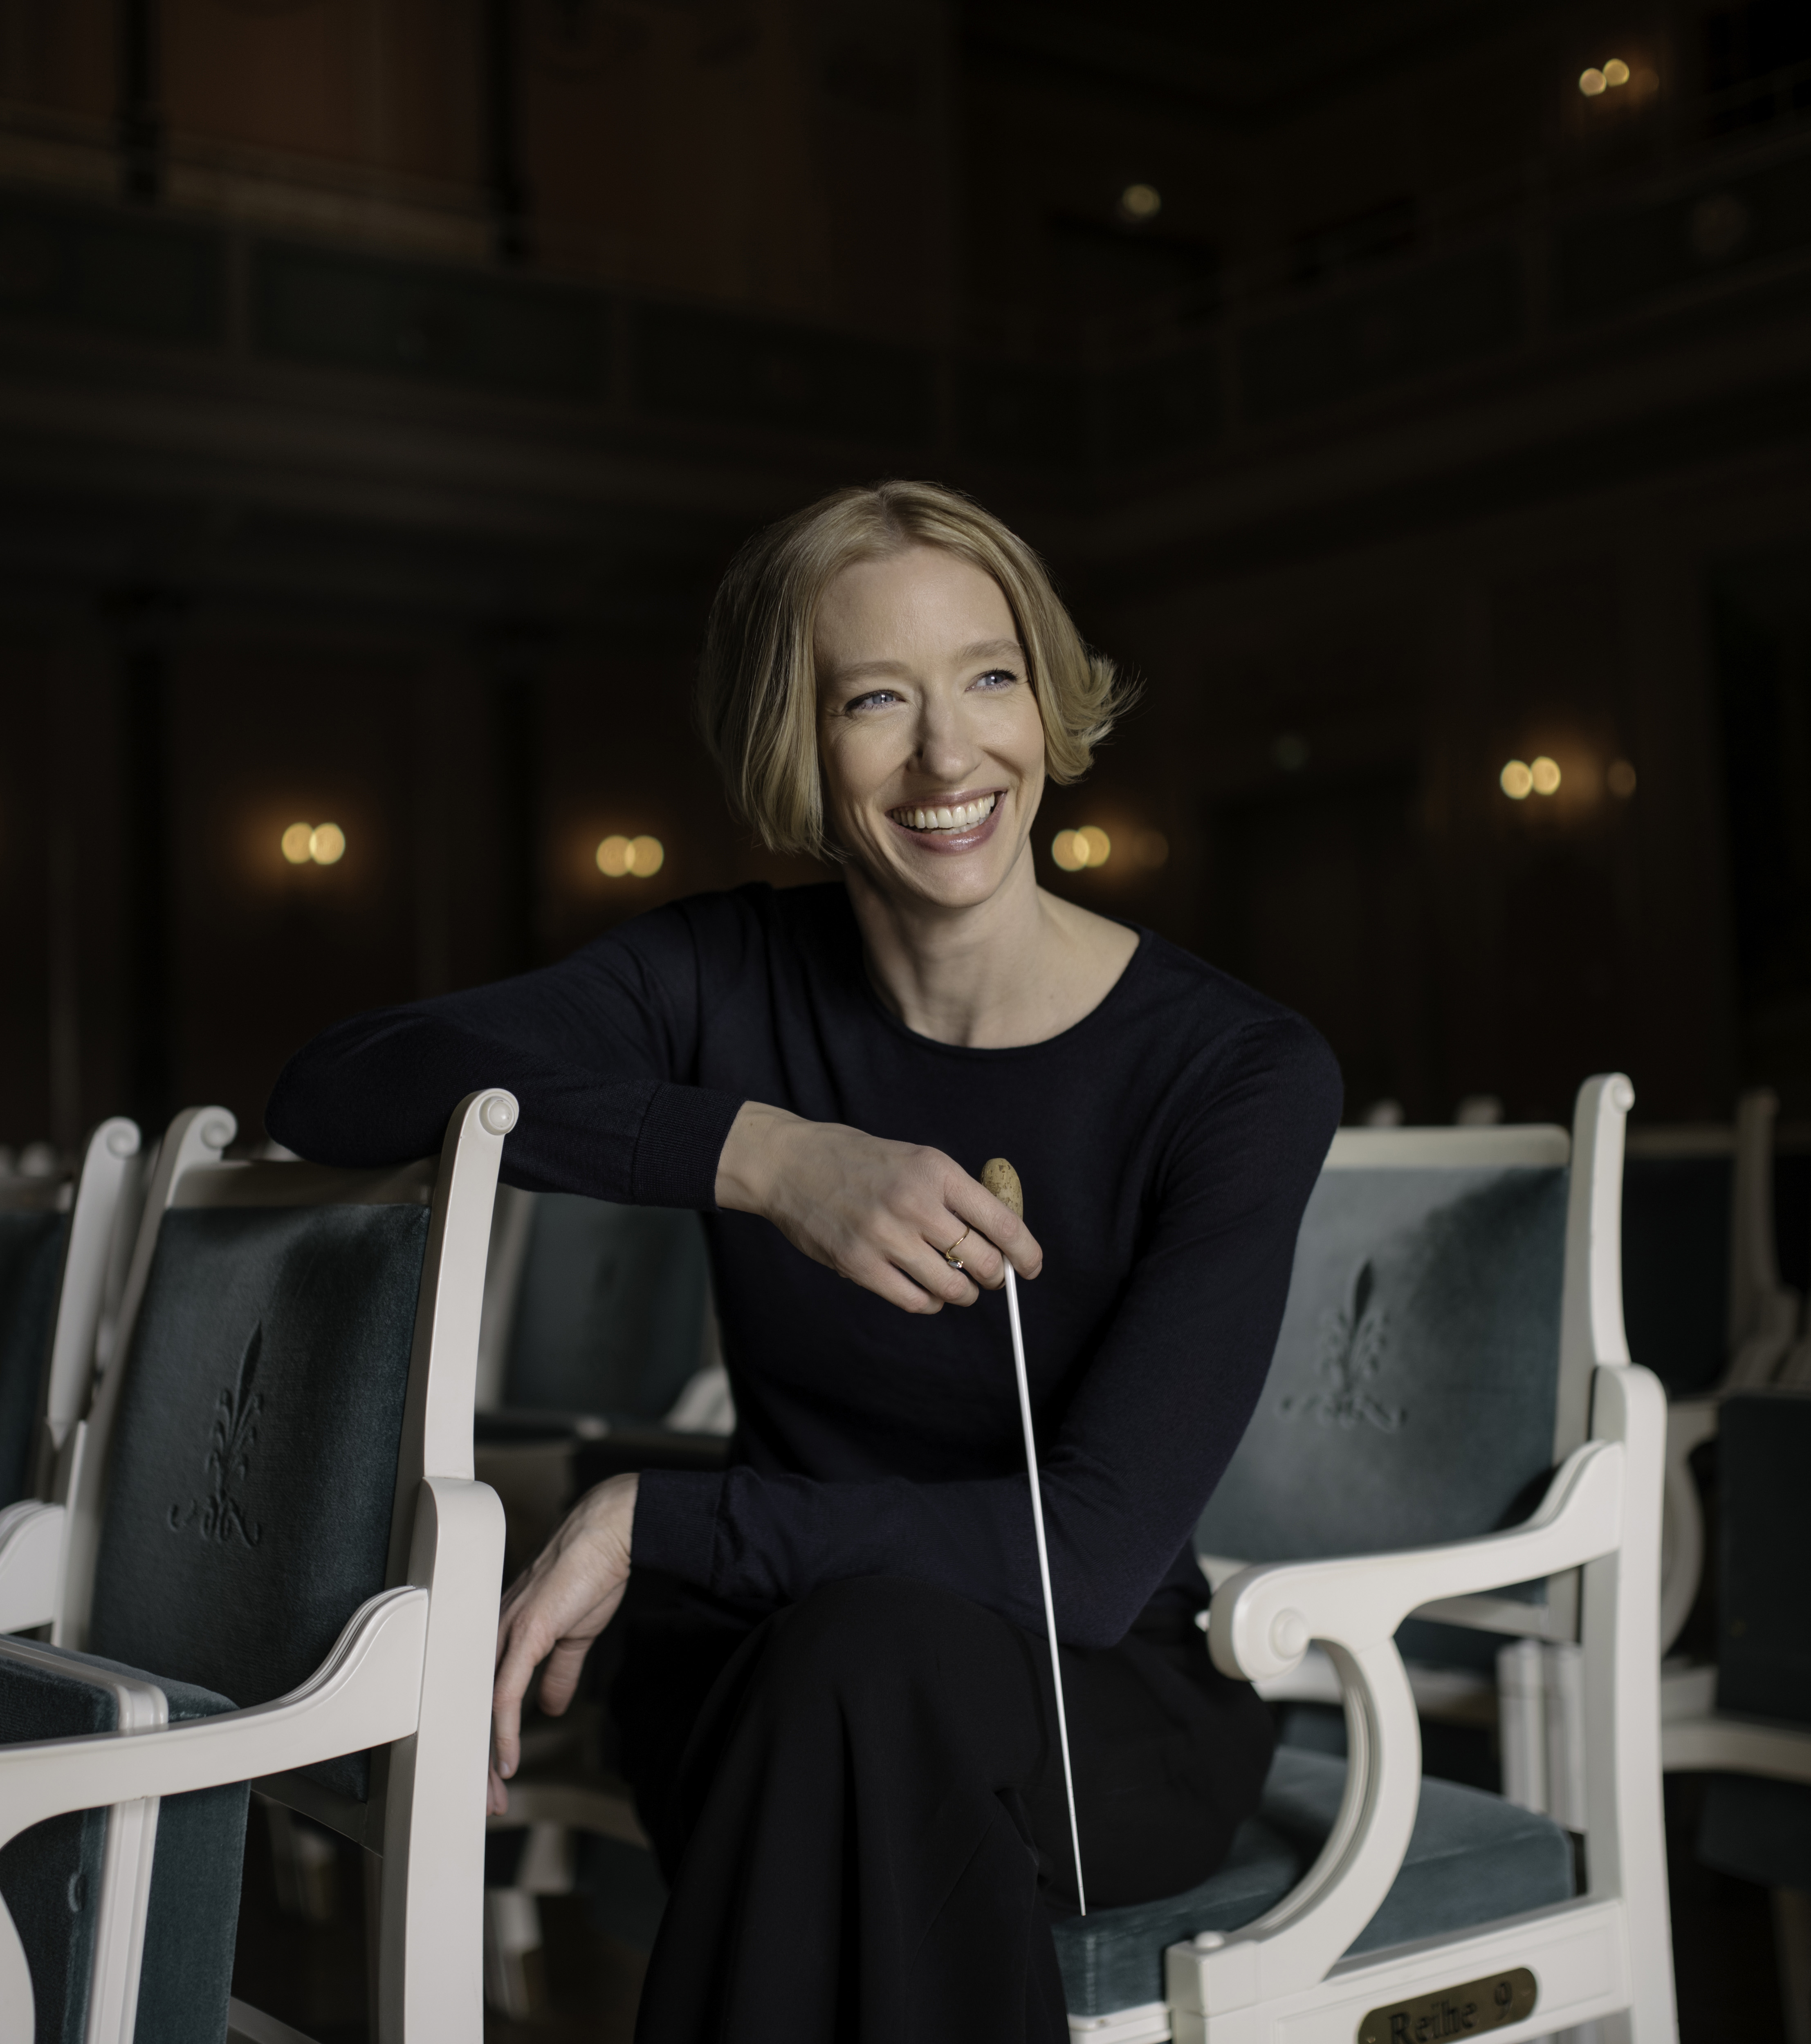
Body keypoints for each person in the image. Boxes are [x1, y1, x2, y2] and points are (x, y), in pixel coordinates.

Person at [269, 480, 1341, 2041]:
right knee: (844, 1686)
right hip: (777, 1671)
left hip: (1093, 1706)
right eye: (874, 700)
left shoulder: (1236, 1071)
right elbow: (334, 1088)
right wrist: (763, 1154)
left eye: (988, 677)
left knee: (860, 1676)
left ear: (1046, 699)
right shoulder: (721, 980)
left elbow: (1094, 1560)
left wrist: (666, 1518)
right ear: (798, 737)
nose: (947, 754)